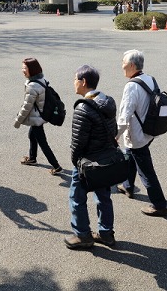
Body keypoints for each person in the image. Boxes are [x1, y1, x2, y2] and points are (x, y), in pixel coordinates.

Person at [65, 65, 118, 249]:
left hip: (87, 162)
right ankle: (106, 234)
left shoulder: (82, 108)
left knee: (76, 196)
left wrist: (75, 162)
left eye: (75, 79)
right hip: (106, 160)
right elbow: (114, 130)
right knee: (103, 196)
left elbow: (77, 143)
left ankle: (82, 235)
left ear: (83, 82)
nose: (74, 83)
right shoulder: (108, 101)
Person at [116, 49, 167, 217]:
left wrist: (114, 136)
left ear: (131, 65)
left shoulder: (131, 86)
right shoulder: (150, 79)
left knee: (146, 171)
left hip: (137, 135)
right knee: (130, 157)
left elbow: (124, 116)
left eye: (123, 63)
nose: (121, 66)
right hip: (149, 130)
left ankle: (159, 204)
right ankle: (128, 186)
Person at [14, 57, 63, 175]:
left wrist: (18, 121)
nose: (22, 70)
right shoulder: (41, 79)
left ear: (32, 69)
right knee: (32, 135)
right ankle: (32, 158)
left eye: (25, 68)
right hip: (40, 116)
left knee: (42, 142)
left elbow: (27, 106)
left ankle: (56, 166)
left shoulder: (32, 86)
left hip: (37, 118)